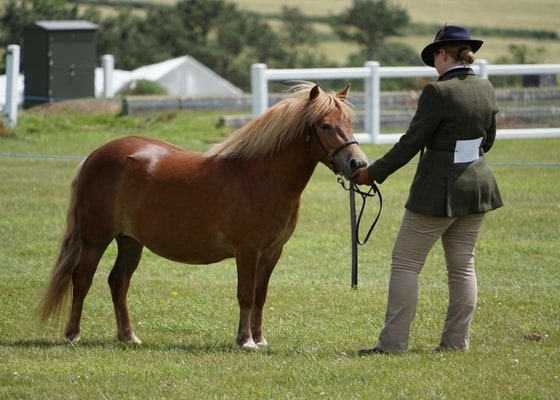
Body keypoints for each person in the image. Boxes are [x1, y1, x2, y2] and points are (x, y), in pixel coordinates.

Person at [354, 24, 503, 354]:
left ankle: (392, 345)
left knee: (406, 264)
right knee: (462, 267)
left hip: (437, 192)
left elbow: (411, 143)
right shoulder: (486, 88)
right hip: (478, 187)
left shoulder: (438, 92)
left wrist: (372, 174)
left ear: (442, 53)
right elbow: (488, 141)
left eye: (434, 58)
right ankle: (455, 343)